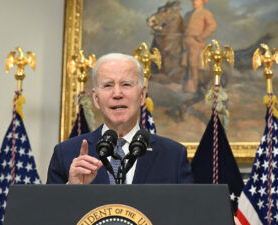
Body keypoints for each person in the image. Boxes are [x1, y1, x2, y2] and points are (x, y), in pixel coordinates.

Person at [47, 53, 193, 184]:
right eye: (108, 85)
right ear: (96, 99)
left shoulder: (173, 155)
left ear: (142, 96)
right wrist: (71, 190)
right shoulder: (66, 154)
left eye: (126, 84)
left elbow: (186, 211)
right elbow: (49, 213)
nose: (117, 93)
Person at [182, 0, 217, 93]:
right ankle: (185, 85)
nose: (194, 2)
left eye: (197, 0)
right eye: (193, 0)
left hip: (197, 42)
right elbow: (183, 27)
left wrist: (202, 36)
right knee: (184, 63)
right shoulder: (187, 14)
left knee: (193, 63)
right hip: (185, 41)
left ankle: (194, 85)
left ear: (203, 2)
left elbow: (212, 26)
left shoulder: (205, 13)